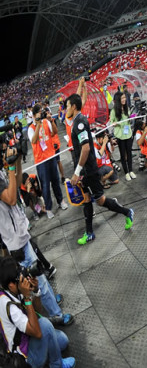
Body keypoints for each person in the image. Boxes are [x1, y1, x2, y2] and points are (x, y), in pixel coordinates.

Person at [0, 147, 74, 328]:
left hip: (21, 234)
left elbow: (15, 187)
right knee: (37, 278)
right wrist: (10, 167)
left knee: (36, 274)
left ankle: (50, 303)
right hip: (15, 241)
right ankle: (56, 314)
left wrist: (15, 162)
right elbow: (10, 199)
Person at [65, 94, 134, 245]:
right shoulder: (77, 120)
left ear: (74, 107)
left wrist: (77, 173)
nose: (66, 109)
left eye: (67, 106)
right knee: (87, 199)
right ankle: (89, 233)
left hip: (88, 170)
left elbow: (85, 148)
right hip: (85, 170)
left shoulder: (80, 123)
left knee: (100, 200)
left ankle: (127, 212)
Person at [0, 256, 76, 368]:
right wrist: (26, 297)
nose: (22, 277)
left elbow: (37, 310)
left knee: (63, 341)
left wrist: (36, 291)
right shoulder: (8, 305)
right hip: (25, 358)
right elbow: (37, 332)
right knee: (45, 325)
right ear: (11, 285)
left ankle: (45, 354)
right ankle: (57, 365)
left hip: (29, 337)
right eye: (19, 276)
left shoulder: (15, 289)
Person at [27, 104, 68, 219]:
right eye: (39, 112)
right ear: (34, 115)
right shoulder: (31, 128)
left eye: (42, 112)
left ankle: (61, 201)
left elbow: (54, 132)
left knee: (55, 180)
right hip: (41, 161)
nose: (41, 113)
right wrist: (38, 124)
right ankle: (49, 208)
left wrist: (52, 121)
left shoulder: (46, 122)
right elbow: (34, 140)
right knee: (45, 185)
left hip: (50, 156)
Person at [109, 92, 136, 182]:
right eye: (122, 98)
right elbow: (111, 122)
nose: (124, 99)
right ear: (117, 100)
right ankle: (126, 173)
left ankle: (131, 170)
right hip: (120, 135)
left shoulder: (126, 108)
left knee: (129, 153)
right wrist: (114, 123)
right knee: (123, 154)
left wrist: (132, 117)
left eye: (124, 97)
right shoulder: (113, 111)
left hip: (128, 133)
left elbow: (128, 120)